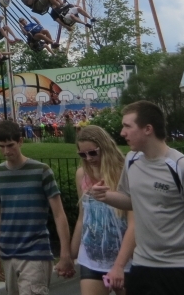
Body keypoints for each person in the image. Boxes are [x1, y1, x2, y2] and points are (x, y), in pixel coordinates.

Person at [89, 101, 184, 295]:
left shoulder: (181, 167)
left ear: (148, 129)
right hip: (143, 263)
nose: (122, 132)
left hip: (183, 264)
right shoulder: (131, 160)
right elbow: (131, 200)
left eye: (127, 126)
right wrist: (105, 196)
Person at [0, 119, 75, 294]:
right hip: (8, 251)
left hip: (35, 251)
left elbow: (59, 214)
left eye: (10, 145)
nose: (6, 151)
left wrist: (65, 253)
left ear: (20, 141)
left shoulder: (41, 171)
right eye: (2, 146)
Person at [70, 125, 135, 295]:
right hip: (92, 257)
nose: (88, 158)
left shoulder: (124, 172)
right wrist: (71, 253)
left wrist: (120, 265)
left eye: (92, 152)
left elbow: (134, 222)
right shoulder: (82, 174)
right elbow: (82, 217)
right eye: (83, 154)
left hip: (126, 258)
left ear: (104, 147)